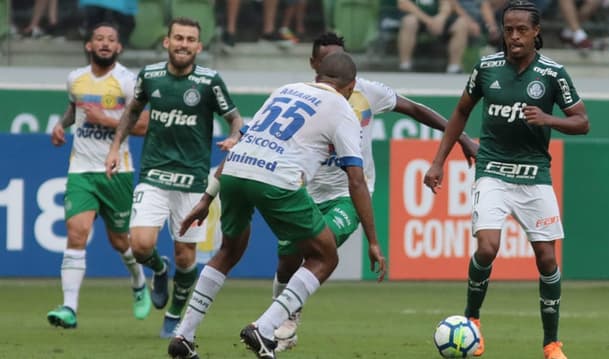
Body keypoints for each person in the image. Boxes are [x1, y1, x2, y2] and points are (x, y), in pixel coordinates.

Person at [268, 31, 479, 352]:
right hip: (304, 191)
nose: (336, 66)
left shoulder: (366, 93)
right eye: (327, 61)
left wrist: (462, 139)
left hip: (346, 196)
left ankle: (276, 323)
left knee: (316, 250)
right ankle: (285, 318)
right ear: (314, 64)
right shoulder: (298, 97)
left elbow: (415, 109)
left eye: (342, 59)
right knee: (286, 261)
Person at [167, 51, 386, 359]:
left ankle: (184, 335)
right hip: (277, 180)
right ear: (350, 87)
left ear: (317, 77)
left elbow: (242, 141)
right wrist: (373, 240)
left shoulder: (283, 90)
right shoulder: (342, 108)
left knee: (228, 251)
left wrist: (207, 198)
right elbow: (357, 180)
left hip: (235, 171)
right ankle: (266, 327)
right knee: (324, 257)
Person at [423, 1, 589, 358]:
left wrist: (549, 120)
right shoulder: (485, 68)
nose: (514, 36)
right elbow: (461, 112)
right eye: (508, 29)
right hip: (493, 171)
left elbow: (582, 121)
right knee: (487, 247)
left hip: (534, 175)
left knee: (546, 259)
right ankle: (473, 322)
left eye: (521, 30)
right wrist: (438, 162)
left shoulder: (552, 74)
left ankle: (551, 343)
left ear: (536, 32)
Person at [104, 17, 244, 338]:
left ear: (199, 46)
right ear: (167, 42)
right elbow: (132, 111)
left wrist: (235, 136)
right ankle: (158, 269)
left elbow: (234, 118)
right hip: (153, 174)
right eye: (178, 38)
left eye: (190, 39)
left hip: (193, 181)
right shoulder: (150, 76)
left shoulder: (210, 81)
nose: (183, 44)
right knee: (140, 246)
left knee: (186, 256)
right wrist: (115, 147)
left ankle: (174, 312)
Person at [47, 22, 151, 329]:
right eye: (99, 39)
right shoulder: (75, 79)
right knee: (76, 233)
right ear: (89, 46)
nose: (105, 43)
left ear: (119, 48)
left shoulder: (128, 82)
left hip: (116, 170)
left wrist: (105, 119)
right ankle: (69, 308)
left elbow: (144, 126)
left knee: (120, 241)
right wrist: (61, 124)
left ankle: (138, 280)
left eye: (111, 40)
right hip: (81, 170)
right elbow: (75, 109)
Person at [397, 0, 471, 73]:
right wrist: (428, 21)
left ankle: (454, 67)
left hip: (438, 20)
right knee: (409, 21)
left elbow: (447, 3)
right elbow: (403, 4)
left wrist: (441, 17)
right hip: (417, 17)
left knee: (461, 24)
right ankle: (405, 65)